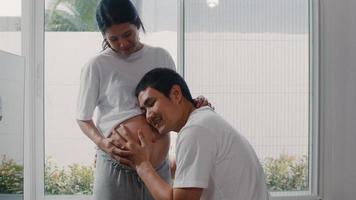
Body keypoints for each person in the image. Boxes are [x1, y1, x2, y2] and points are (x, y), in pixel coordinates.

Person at [76, 0, 208, 199]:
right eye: (113, 39)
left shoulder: (160, 56)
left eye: (127, 34)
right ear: (104, 36)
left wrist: (198, 105)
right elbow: (83, 118)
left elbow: (177, 101)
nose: (122, 43)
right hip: (116, 167)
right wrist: (104, 144)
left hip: (157, 169)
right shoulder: (97, 66)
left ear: (137, 23)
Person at [115, 68, 270, 200]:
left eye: (151, 104)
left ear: (176, 94)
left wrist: (142, 165)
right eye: (143, 111)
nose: (148, 116)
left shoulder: (195, 130)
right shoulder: (204, 120)